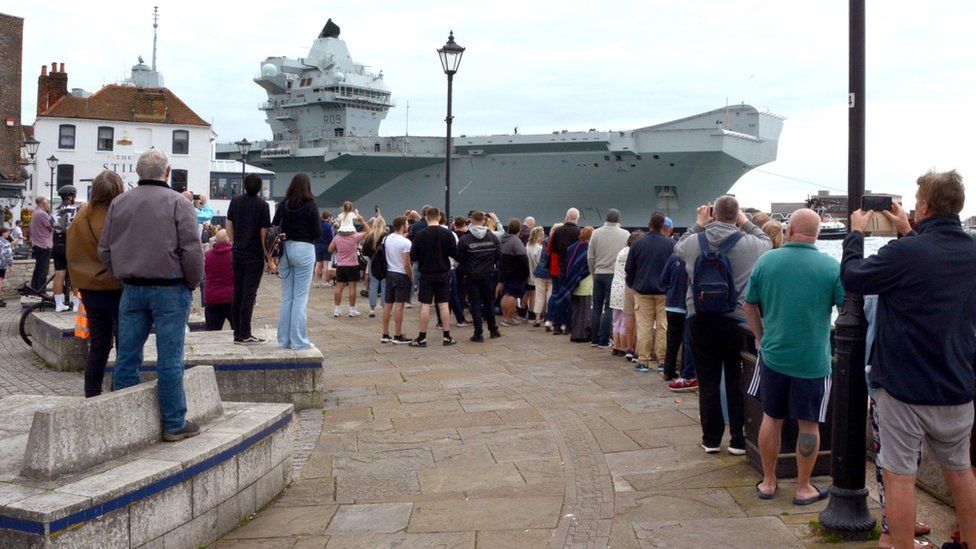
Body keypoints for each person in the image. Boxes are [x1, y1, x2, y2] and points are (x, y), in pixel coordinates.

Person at [842, 170, 976, 548]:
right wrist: (908, 230)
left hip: (903, 385)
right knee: (961, 471)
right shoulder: (970, 252)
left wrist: (855, 234)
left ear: (926, 206)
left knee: (900, 476)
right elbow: (935, 263)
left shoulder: (905, 253)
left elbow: (854, 277)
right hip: (957, 382)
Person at [98, 150, 204, 441]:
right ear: (167, 172)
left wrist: (121, 272)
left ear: (136, 171)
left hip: (132, 288)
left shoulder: (120, 203)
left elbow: (104, 250)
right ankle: (173, 423)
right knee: (169, 358)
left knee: (127, 356)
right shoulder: (178, 204)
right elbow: (192, 251)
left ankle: (124, 423)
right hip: (170, 287)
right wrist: (191, 283)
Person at [743, 208, 842, 506]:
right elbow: (846, 308)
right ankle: (803, 487)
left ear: (788, 231)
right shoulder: (830, 266)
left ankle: (769, 482)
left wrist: (761, 336)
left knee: (771, 418)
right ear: (818, 234)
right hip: (813, 360)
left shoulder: (767, 261)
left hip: (773, 355)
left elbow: (749, 306)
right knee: (809, 425)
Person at [675, 196, 771, 455]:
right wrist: (745, 222)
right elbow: (768, 241)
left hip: (700, 318)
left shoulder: (694, 241)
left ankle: (711, 438)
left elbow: (678, 247)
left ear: (713, 214)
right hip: (737, 320)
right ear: (737, 215)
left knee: (707, 379)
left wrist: (699, 224)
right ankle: (738, 439)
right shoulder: (751, 243)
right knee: (735, 378)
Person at [67, 171, 125, 397]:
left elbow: (73, 251)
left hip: (90, 288)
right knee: (125, 345)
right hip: (117, 287)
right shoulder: (118, 213)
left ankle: (91, 393)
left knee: (99, 345)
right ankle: (121, 390)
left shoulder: (81, 216)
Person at [272, 173, 321, 349]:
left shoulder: (284, 204)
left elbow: (275, 224)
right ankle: (299, 341)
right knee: (300, 298)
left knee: (287, 298)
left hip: (285, 249)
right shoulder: (310, 205)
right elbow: (317, 232)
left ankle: (283, 340)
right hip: (305, 249)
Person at [225, 174, 272, 343]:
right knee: (249, 295)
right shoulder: (263, 205)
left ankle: (237, 331)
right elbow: (263, 234)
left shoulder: (235, 201)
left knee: (237, 292)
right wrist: (269, 258)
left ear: (244, 186)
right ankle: (245, 333)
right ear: (260, 188)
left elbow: (228, 224)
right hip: (254, 255)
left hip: (237, 253)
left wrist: (234, 242)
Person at [625, 213, 674, 372]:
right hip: (664, 292)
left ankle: (643, 360)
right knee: (662, 327)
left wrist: (632, 284)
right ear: (664, 227)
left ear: (649, 224)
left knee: (644, 327)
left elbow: (629, 268)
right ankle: (662, 361)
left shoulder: (638, 243)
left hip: (643, 290)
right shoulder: (671, 244)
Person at [408, 207, 457, 347]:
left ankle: (422, 337)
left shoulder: (420, 234)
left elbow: (414, 256)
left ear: (426, 218)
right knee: (443, 304)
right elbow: (454, 253)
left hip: (426, 273)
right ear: (439, 217)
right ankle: (447, 336)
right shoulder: (447, 234)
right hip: (443, 272)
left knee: (425, 305)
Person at [457, 211, 501, 342]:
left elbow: (459, 257)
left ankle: (478, 333)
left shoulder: (465, 239)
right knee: (488, 302)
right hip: (488, 274)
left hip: (471, 275)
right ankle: (493, 329)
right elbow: (499, 256)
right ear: (484, 220)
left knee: (475, 303)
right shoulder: (492, 237)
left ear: (470, 221)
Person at [588, 208, 629, 348]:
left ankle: (594, 339)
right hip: (615, 275)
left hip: (598, 273)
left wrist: (593, 272)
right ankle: (603, 340)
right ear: (619, 219)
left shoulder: (596, 233)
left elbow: (590, 257)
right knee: (609, 308)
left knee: (596, 308)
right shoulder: (625, 234)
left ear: (605, 218)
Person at [660, 251, 697, 390]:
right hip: (688, 306)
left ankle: (668, 371)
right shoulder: (695, 256)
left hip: (672, 304)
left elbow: (663, 279)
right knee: (687, 341)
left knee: (672, 340)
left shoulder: (674, 257)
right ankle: (684, 372)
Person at [329, 208, 370, 317]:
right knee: (352, 287)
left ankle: (337, 309)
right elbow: (369, 232)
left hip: (341, 265)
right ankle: (352, 309)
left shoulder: (337, 237)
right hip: (352, 265)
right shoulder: (355, 236)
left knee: (339, 287)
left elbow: (330, 249)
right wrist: (361, 221)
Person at [547, 208, 581, 335]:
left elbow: (552, 250)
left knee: (560, 295)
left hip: (561, 266)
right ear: (577, 218)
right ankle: (568, 325)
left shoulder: (558, 231)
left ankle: (556, 326)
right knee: (571, 297)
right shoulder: (579, 232)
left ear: (566, 216)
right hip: (573, 268)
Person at [380, 216, 413, 344]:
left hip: (389, 272)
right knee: (399, 305)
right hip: (401, 274)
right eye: (406, 223)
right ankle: (398, 334)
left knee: (388, 304)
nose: (408, 225)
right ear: (402, 226)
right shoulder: (406, 242)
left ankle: (385, 333)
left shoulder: (387, 239)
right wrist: (411, 276)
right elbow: (406, 263)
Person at [561, 226, 594, 342]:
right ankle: (582, 335)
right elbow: (590, 266)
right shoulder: (589, 249)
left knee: (575, 310)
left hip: (573, 283)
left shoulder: (572, 248)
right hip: (586, 282)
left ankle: (574, 333)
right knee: (585, 310)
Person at [609, 231, 638, 357]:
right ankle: (624, 346)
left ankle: (616, 346)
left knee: (616, 320)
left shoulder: (621, 252)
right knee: (625, 319)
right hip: (625, 287)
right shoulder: (632, 253)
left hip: (615, 287)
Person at [498, 218, 530, 326]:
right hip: (516, 272)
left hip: (505, 271)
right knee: (513, 295)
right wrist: (526, 272)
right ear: (518, 229)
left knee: (506, 294)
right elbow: (522, 258)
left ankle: (504, 316)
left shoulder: (503, 239)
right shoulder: (516, 241)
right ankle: (508, 318)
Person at [203, 230, 234, 331]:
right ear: (228, 239)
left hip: (212, 298)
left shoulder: (207, 256)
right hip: (231, 297)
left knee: (211, 333)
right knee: (238, 330)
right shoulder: (234, 254)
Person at [362, 214, 387, 317]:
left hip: (373, 261)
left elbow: (364, 251)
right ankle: (385, 307)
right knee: (385, 284)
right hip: (385, 262)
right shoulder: (386, 235)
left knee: (373, 284)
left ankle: (372, 309)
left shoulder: (369, 236)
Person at [449, 216, 472, 327]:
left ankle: (444, 318)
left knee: (451, 293)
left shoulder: (451, 234)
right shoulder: (467, 236)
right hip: (463, 267)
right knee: (461, 292)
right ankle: (460, 315)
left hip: (453, 267)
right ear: (465, 224)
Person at [28, 196, 53, 294]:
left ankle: (34, 288)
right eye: (47, 203)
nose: (48, 205)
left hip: (37, 243)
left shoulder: (35, 212)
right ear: (43, 203)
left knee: (38, 267)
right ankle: (41, 290)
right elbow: (51, 227)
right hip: (44, 244)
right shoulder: (42, 214)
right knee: (43, 269)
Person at [525, 226, 546, 326]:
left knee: (528, 294)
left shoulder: (528, 245)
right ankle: (532, 315)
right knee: (534, 295)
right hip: (535, 275)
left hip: (528, 274)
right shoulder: (539, 248)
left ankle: (521, 310)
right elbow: (539, 262)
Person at [313, 211, 335, 287]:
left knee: (318, 264)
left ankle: (315, 282)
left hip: (318, 245)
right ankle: (324, 282)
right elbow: (331, 237)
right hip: (326, 246)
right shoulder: (329, 225)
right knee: (325, 264)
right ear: (328, 217)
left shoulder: (317, 225)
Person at [0, 227, 12, 307]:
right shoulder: (5, 242)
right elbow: (8, 255)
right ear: (3, 233)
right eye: (8, 232)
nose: (9, 234)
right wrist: (10, 265)